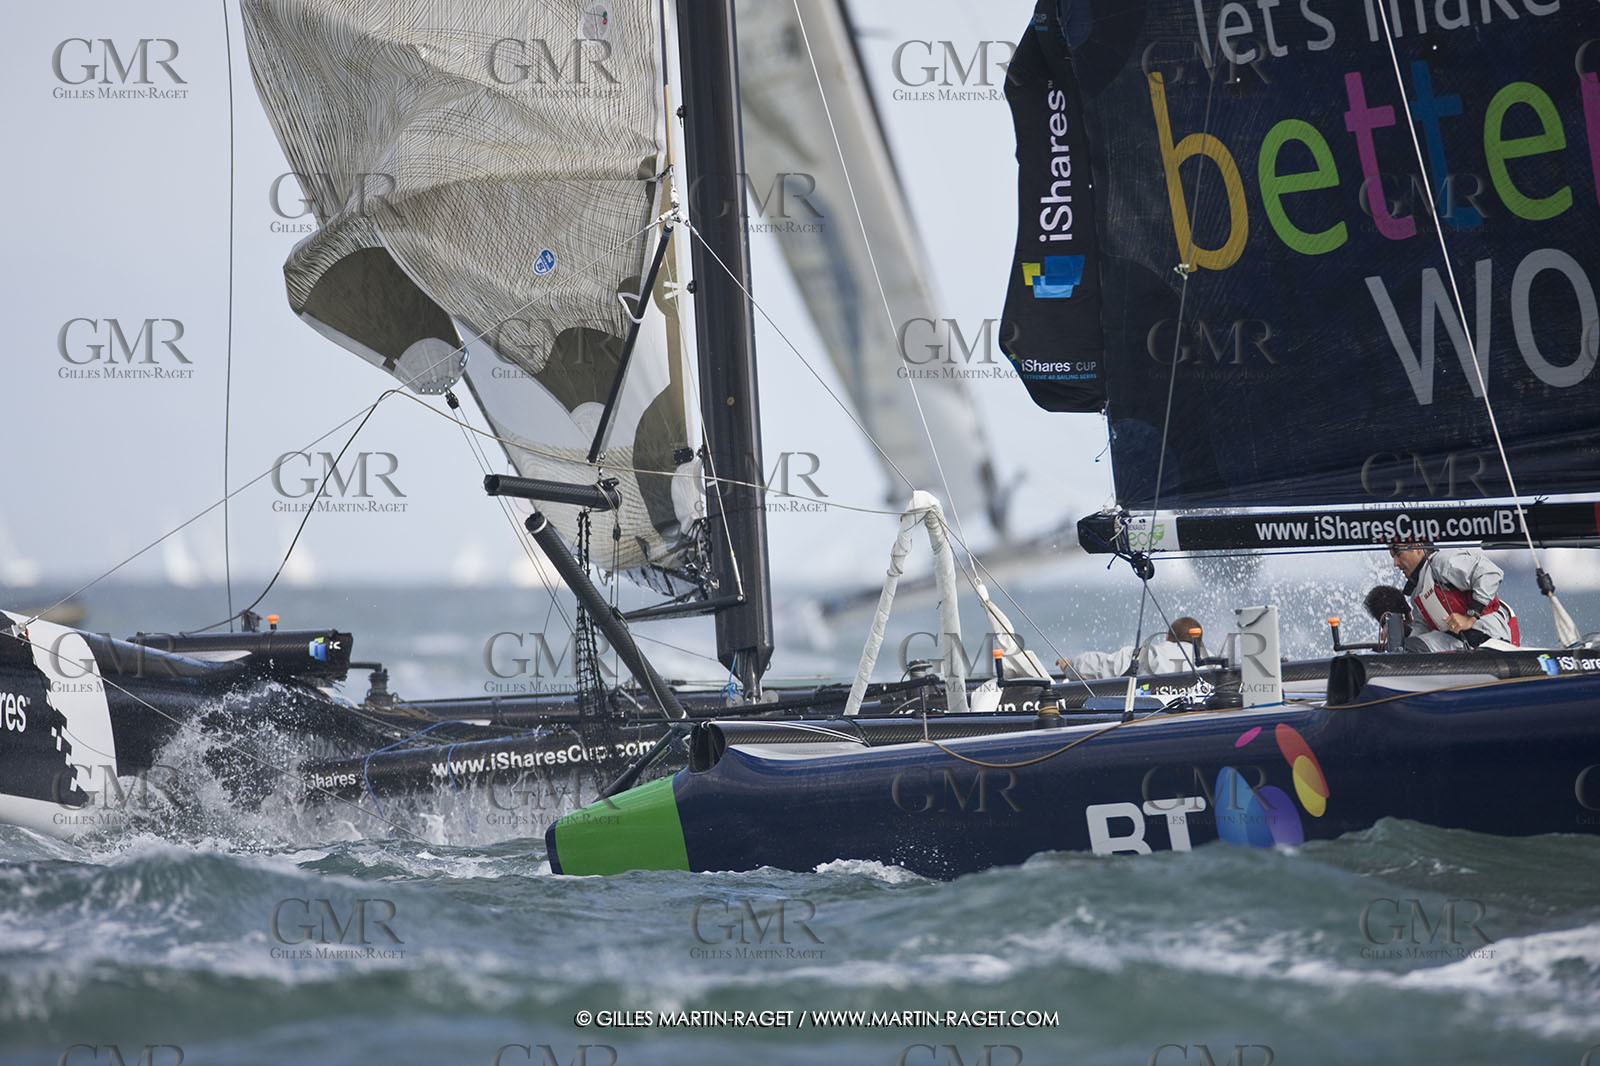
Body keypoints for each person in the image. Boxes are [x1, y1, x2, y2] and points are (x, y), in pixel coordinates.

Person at [1388, 539, 1519, 651]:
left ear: (1418, 546)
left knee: (1414, 648)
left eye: (1399, 554)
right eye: (1393, 557)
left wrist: (1470, 617)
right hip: (1459, 642)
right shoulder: (1417, 594)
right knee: (1410, 647)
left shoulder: (1442, 562)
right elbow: (1422, 630)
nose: (1395, 563)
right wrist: (1400, 640)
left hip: (1487, 636)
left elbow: (1491, 573)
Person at [1056, 616, 1205, 679]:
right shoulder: (1216, 663)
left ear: (1167, 637)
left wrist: (1070, 666)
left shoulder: (1151, 654)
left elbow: (1102, 665)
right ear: (1200, 641)